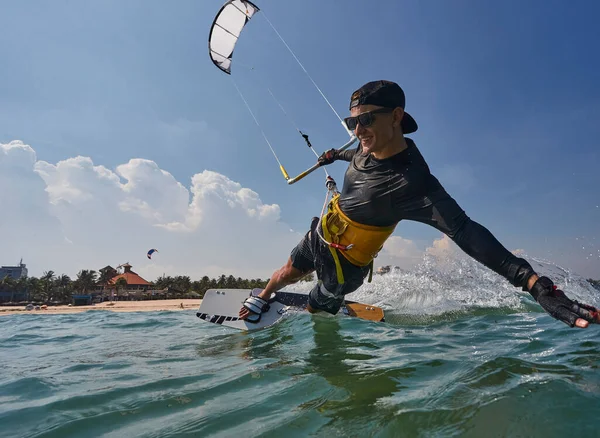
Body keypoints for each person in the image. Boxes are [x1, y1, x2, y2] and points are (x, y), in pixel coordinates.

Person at [239, 80, 600, 328]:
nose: (358, 130)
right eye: (352, 122)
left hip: (346, 262)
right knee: (287, 269)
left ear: (396, 117)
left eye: (365, 120)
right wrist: (335, 155)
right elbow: (355, 155)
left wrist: (535, 284)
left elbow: (466, 231)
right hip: (323, 232)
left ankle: (321, 322)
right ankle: (265, 296)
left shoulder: (415, 183)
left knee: (318, 310)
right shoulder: (363, 149)